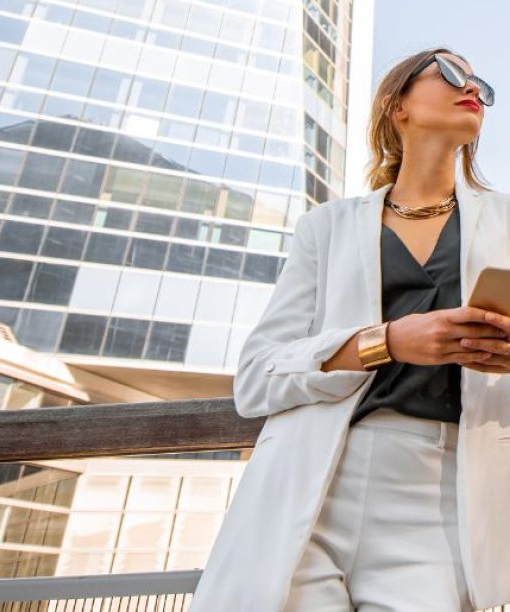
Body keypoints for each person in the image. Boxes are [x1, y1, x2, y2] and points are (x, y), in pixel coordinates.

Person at [188, 47, 510, 612]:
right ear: (396, 105)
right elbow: (257, 378)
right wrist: (386, 342)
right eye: (451, 72)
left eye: (480, 83)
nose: (473, 88)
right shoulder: (325, 228)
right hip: (314, 481)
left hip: (444, 493)